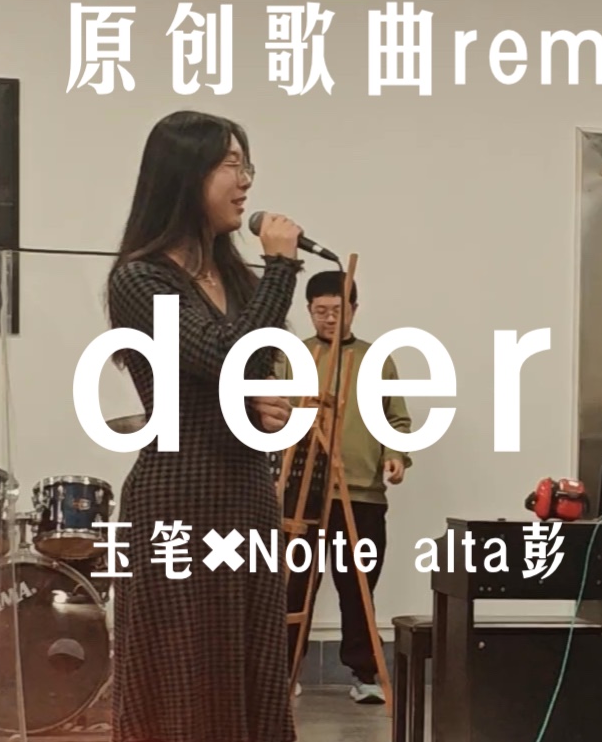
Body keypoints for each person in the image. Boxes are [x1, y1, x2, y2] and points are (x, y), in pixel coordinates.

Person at [105, 110, 303, 742]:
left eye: (247, 166)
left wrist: (261, 404)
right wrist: (281, 268)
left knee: (256, 674)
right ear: (185, 174)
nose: (245, 182)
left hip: (245, 493)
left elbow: (247, 366)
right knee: (184, 677)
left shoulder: (235, 277)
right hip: (178, 499)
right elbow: (220, 353)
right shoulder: (140, 278)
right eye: (231, 165)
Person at [284, 270, 413, 704]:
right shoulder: (294, 356)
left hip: (360, 493)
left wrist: (395, 455)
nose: (328, 319)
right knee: (294, 584)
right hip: (303, 491)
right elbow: (272, 413)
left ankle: (365, 674)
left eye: (337, 310)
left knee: (358, 586)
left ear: (354, 309)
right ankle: (284, 671)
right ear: (308, 311)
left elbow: (396, 419)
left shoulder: (376, 360)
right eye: (319, 311)